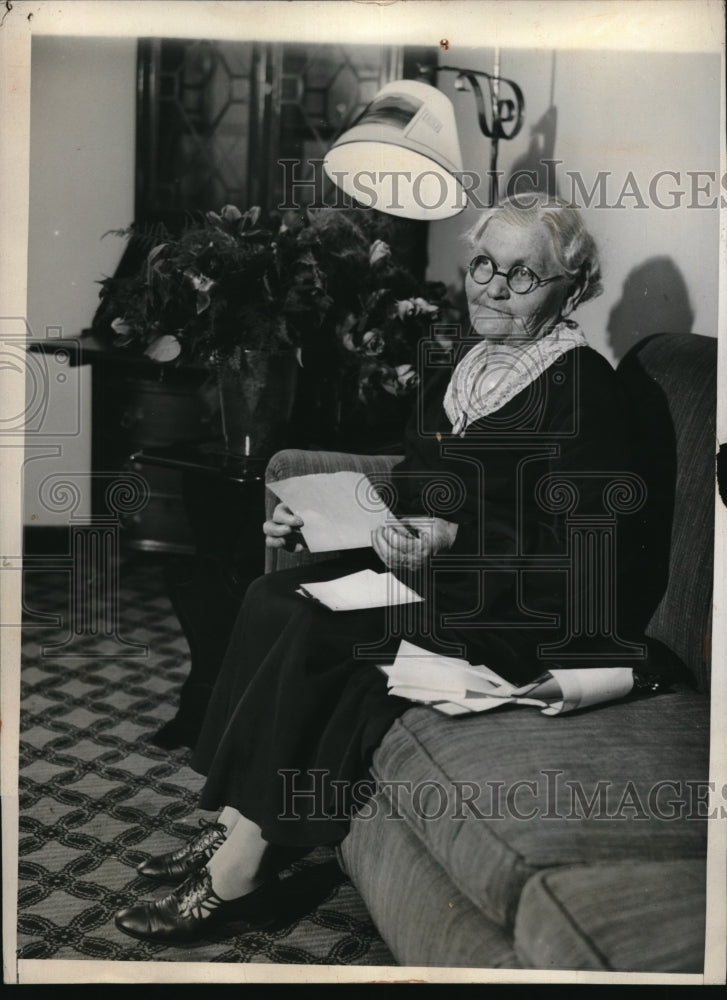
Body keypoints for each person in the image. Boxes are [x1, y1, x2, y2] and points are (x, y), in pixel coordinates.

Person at [115, 195, 656, 943]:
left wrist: (449, 540)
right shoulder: (474, 365)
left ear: (573, 284)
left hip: (524, 605)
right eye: (483, 265)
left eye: (522, 274)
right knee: (276, 592)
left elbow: (586, 548)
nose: (492, 289)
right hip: (452, 575)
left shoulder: (583, 388)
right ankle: (236, 816)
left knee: (314, 622)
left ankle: (242, 869)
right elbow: (430, 475)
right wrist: (327, 513)